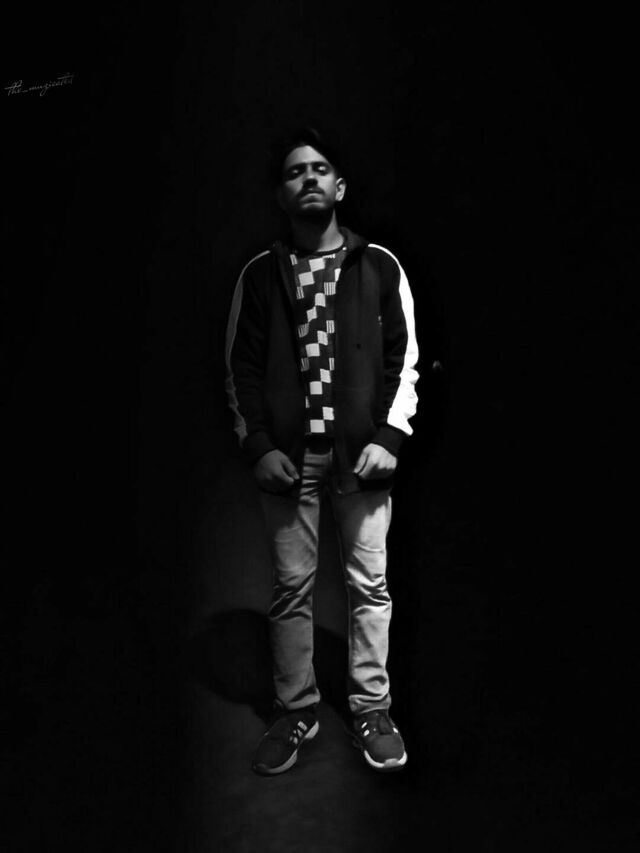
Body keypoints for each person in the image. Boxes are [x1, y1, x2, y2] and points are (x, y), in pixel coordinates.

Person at [224, 127, 419, 774]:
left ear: (339, 187)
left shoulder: (378, 265)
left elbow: (404, 358)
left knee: (370, 585)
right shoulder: (260, 274)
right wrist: (257, 445)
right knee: (290, 589)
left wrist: (390, 436)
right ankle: (296, 710)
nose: (308, 177)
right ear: (281, 195)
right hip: (289, 457)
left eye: (320, 168)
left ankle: (371, 708)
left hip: (361, 454)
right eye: (294, 172)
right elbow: (239, 368)